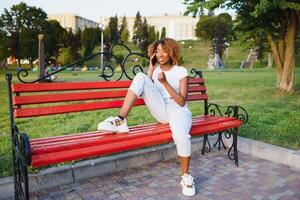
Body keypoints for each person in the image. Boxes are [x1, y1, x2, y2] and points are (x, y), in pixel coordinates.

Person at [97, 38, 195, 196]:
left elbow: (182, 102)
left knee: (181, 136)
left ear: (172, 52)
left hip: (178, 111)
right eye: (157, 51)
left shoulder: (181, 71)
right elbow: (146, 87)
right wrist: (151, 69)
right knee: (140, 77)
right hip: (162, 110)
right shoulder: (155, 71)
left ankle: (186, 176)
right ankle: (120, 120)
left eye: (164, 51)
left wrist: (165, 83)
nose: (160, 54)